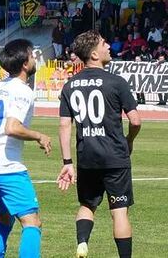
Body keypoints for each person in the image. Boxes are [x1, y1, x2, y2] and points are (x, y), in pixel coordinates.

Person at [57, 31, 141, 258]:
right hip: (115, 156)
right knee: (119, 212)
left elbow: (65, 126)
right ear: (94, 54)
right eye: (104, 44)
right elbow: (135, 120)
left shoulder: (70, 86)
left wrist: (67, 162)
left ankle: (82, 242)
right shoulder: (116, 82)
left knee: (87, 205)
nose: (109, 47)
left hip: (87, 157)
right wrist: (129, 141)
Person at [0, 39, 50, 258]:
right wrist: (39, 136)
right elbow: (12, 127)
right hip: (7, 167)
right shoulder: (22, 91)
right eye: (33, 56)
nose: (35, 60)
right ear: (25, 63)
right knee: (32, 223)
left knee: (4, 219)